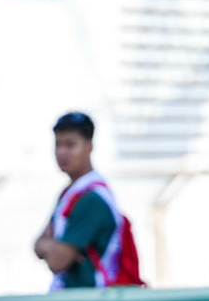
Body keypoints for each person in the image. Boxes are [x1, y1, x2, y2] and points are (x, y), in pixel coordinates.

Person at [34, 111, 144, 290]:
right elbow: (37, 244)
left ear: (89, 147)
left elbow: (56, 262)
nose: (62, 152)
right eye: (58, 144)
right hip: (75, 299)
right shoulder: (70, 192)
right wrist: (52, 246)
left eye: (70, 144)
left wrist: (51, 246)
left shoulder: (92, 198)